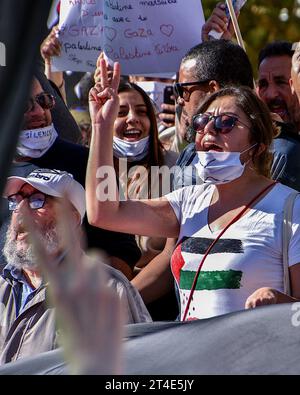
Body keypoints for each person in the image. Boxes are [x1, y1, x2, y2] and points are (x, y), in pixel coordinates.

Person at [86, 60, 300, 321]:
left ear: (257, 144)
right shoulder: (188, 203)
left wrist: (279, 301)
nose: (209, 130)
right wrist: (101, 126)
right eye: (201, 122)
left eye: (225, 123)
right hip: (191, 358)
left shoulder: (291, 209)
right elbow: (104, 212)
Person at [0, 168, 151, 364]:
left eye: (36, 200)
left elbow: (134, 366)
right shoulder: (3, 284)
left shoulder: (108, 289)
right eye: (15, 200)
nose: (20, 210)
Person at [0, 76, 141, 279]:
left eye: (43, 100)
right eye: (24, 105)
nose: (39, 112)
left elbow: (122, 251)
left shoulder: (89, 162)